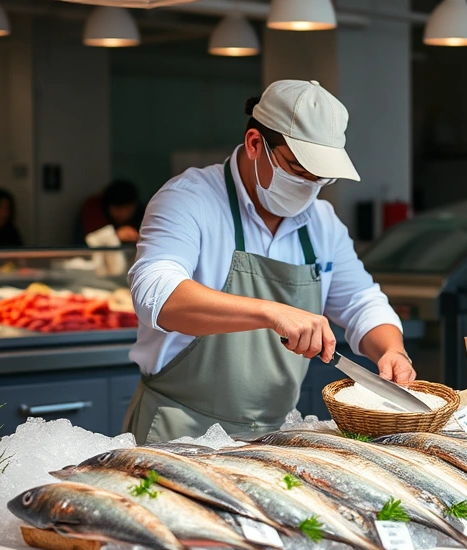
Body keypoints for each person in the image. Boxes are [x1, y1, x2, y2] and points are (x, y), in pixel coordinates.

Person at [124, 80, 414, 444]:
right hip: (179, 433)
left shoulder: (322, 222)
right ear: (255, 144)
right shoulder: (188, 199)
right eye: (298, 169)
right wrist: (271, 312)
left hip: (274, 437)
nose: (309, 186)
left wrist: (392, 349)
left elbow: (361, 301)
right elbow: (157, 295)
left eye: (319, 178)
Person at [78, 180, 143, 244]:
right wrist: (115, 235)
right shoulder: (94, 209)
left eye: (127, 208)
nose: (122, 214)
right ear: (108, 206)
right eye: (118, 209)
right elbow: (90, 240)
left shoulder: (141, 216)